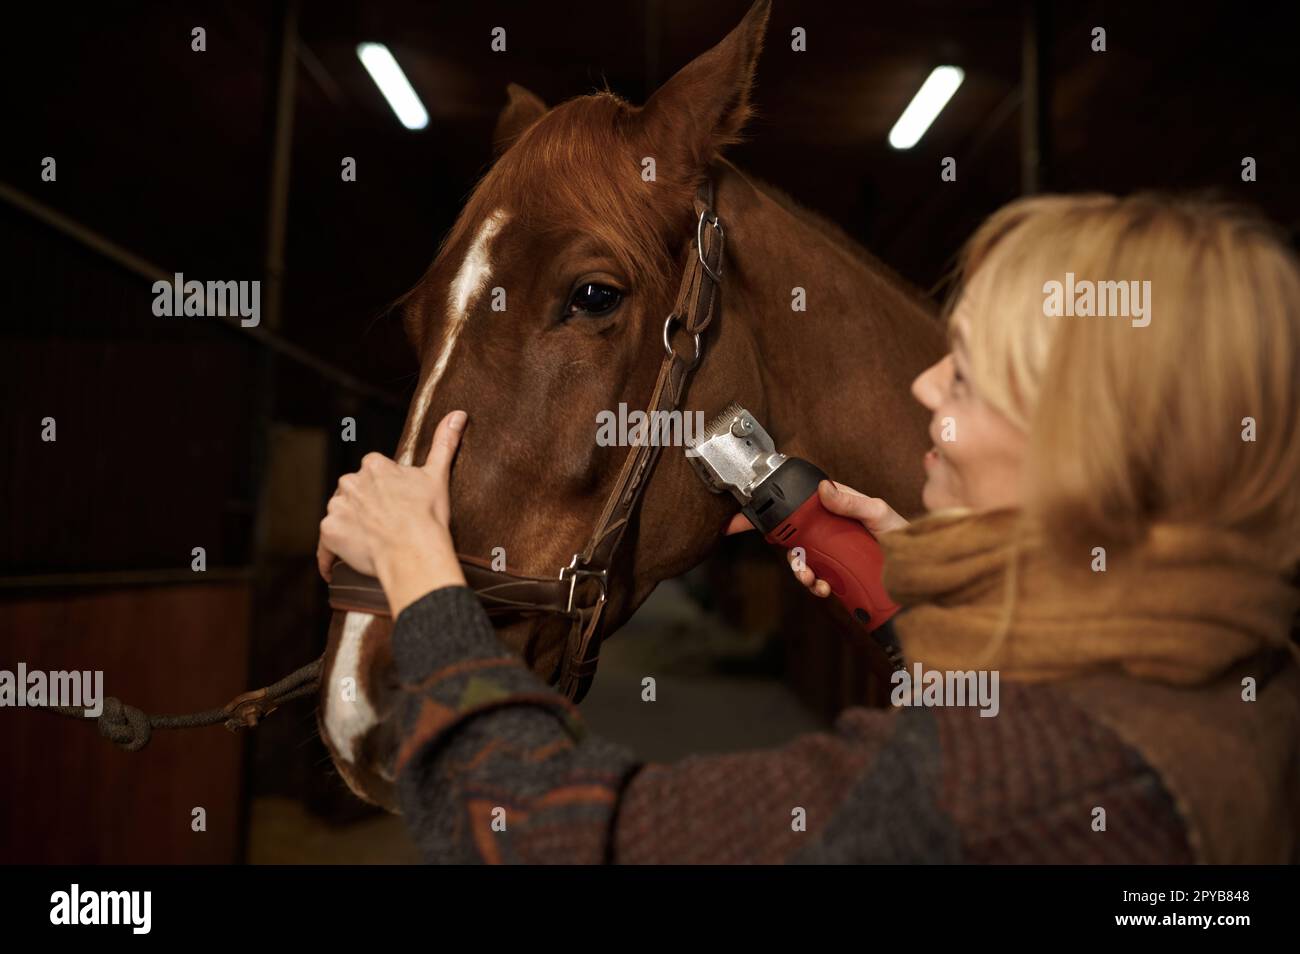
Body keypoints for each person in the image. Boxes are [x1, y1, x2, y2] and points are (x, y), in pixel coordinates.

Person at [317, 192, 1300, 863]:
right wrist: (899, 598)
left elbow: (542, 833)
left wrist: (424, 579)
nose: (920, 388)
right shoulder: (1245, 673)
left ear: (1093, 452)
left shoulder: (992, 788)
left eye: (963, 379)